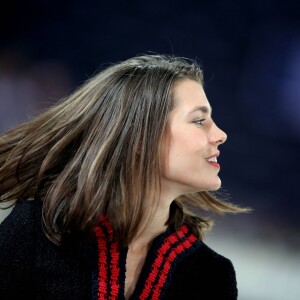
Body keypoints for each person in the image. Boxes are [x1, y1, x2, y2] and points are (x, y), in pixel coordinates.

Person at [0, 54, 249, 300]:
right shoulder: (35, 231)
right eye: (199, 120)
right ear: (141, 137)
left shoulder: (213, 277)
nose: (220, 134)